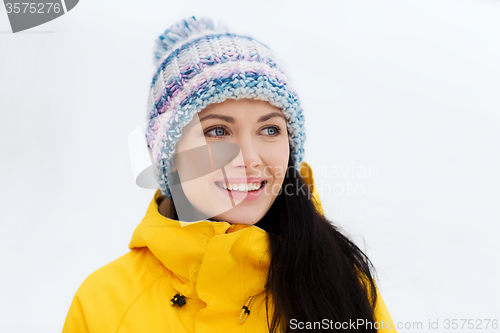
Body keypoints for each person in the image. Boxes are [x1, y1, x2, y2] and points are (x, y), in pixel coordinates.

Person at [62, 16, 397, 333]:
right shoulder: (104, 304)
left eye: (269, 130)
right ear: (169, 154)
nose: (250, 159)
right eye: (218, 131)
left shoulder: (341, 281)